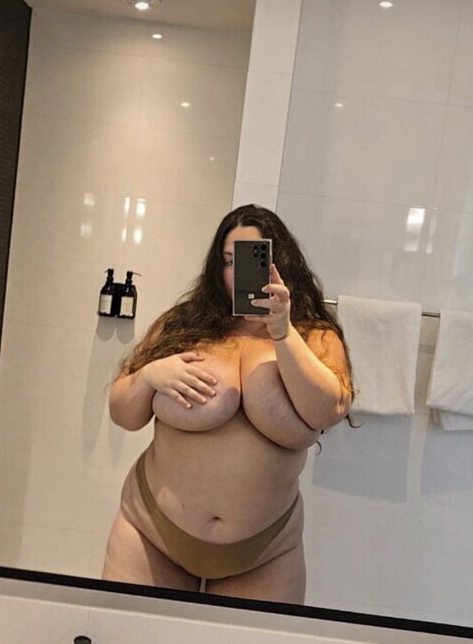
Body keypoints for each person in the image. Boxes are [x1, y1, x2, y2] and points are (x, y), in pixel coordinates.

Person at [102, 204, 354, 603]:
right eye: (228, 261)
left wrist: (283, 333)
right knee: (133, 641)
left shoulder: (312, 335)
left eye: (251, 260)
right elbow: (122, 413)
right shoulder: (184, 325)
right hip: (150, 532)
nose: (237, 272)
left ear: (278, 263)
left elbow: (329, 410)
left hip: (266, 553)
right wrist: (148, 376)